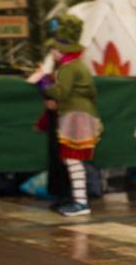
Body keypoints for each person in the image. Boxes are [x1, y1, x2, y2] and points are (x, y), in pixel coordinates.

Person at [35, 14, 102, 217]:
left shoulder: (68, 68)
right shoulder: (78, 65)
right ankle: (79, 201)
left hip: (75, 116)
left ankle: (81, 203)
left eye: (55, 48)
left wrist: (42, 82)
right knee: (73, 160)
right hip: (82, 114)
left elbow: (60, 93)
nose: (53, 52)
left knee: (73, 159)